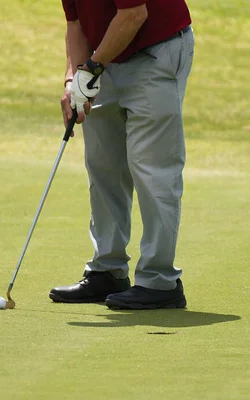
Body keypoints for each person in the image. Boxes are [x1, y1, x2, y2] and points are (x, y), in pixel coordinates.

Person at [48, 0, 194, 309]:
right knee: (103, 164)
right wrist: (74, 79)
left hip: (156, 50)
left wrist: (91, 67)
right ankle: (107, 270)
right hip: (105, 57)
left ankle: (159, 281)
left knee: (151, 167)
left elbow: (133, 15)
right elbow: (75, 24)